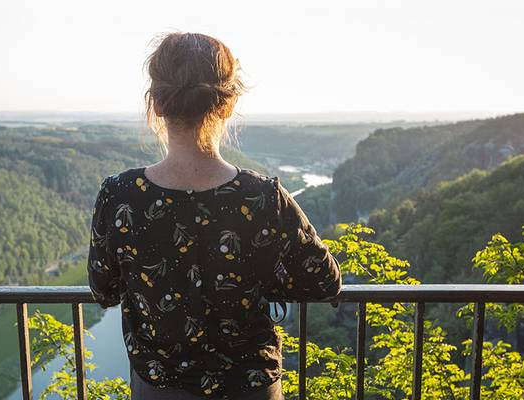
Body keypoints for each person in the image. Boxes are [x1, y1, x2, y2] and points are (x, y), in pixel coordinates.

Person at [87, 32, 342, 400]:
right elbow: (324, 282)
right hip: (251, 387)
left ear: (156, 104)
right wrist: (264, 278)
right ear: (226, 105)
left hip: (160, 388)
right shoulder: (262, 196)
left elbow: (104, 289)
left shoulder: (120, 195)